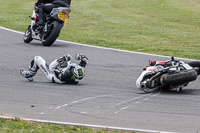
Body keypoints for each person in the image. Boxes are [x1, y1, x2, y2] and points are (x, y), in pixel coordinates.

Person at [20, 53, 88, 84]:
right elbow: (85, 61)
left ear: (69, 72)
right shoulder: (80, 75)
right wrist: (81, 57)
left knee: (37, 58)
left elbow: (52, 67)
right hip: (63, 73)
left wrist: (63, 59)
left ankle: (29, 74)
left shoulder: (63, 76)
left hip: (52, 75)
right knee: (68, 59)